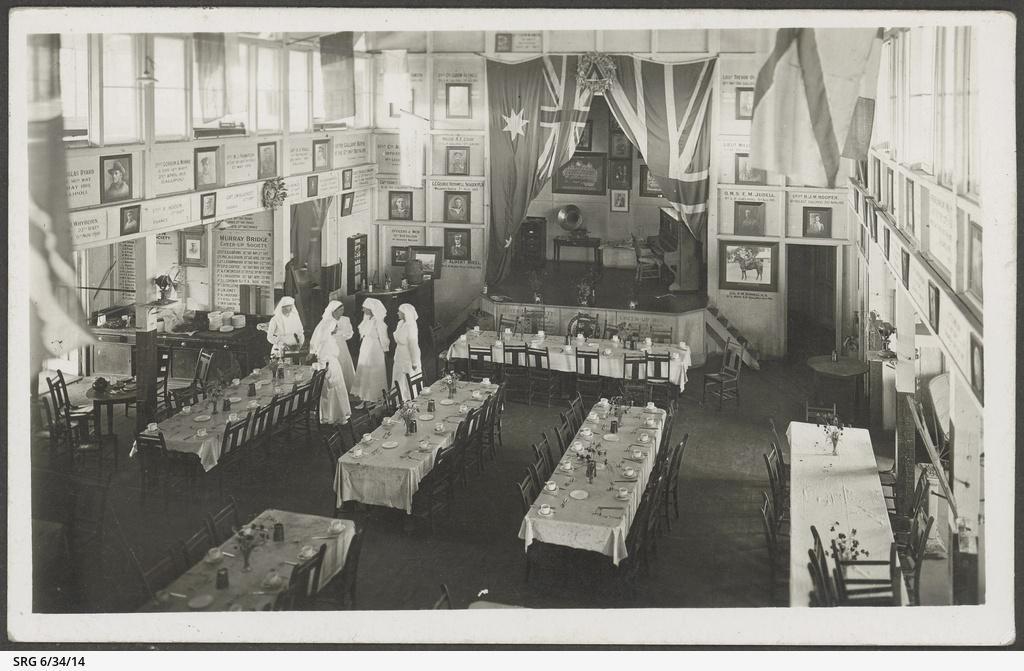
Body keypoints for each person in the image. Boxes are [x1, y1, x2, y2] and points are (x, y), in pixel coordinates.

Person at [310, 302, 352, 425]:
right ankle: (332, 416)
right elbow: (325, 353)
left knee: (336, 388)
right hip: (330, 364)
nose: (336, 329)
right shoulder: (326, 341)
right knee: (332, 388)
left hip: (332, 363)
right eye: (335, 328)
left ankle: (336, 414)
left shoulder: (330, 338)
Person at [310, 300, 356, 389]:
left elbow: (349, 333)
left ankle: (346, 386)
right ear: (334, 311)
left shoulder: (345, 319)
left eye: (343, 310)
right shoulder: (326, 321)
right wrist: (312, 350)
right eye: (340, 310)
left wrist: (340, 335)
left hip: (341, 343)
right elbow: (317, 335)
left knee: (344, 362)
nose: (342, 312)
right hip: (329, 345)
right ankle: (336, 387)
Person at [352, 297, 389, 404]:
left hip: (375, 348)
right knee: (365, 371)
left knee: (373, 372)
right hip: (366, 346)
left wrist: (385, 349)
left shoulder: (378, 322)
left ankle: (374, 397)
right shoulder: (366, 319)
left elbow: (383, 337)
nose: (363, 310)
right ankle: (366, 397)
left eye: (364, 308)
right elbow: (363, 332)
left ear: (371, 308)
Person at [391, 304, 422, 401]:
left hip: (408, 356)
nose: (397, 313)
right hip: (400, 354)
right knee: (399, 376)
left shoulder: (411, 326)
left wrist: (414, 361)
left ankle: (410, 399)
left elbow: (413, 345)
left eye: (399, 312)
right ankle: (398, 399)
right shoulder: (400, 323)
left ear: (405, 314)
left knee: (408, 377)